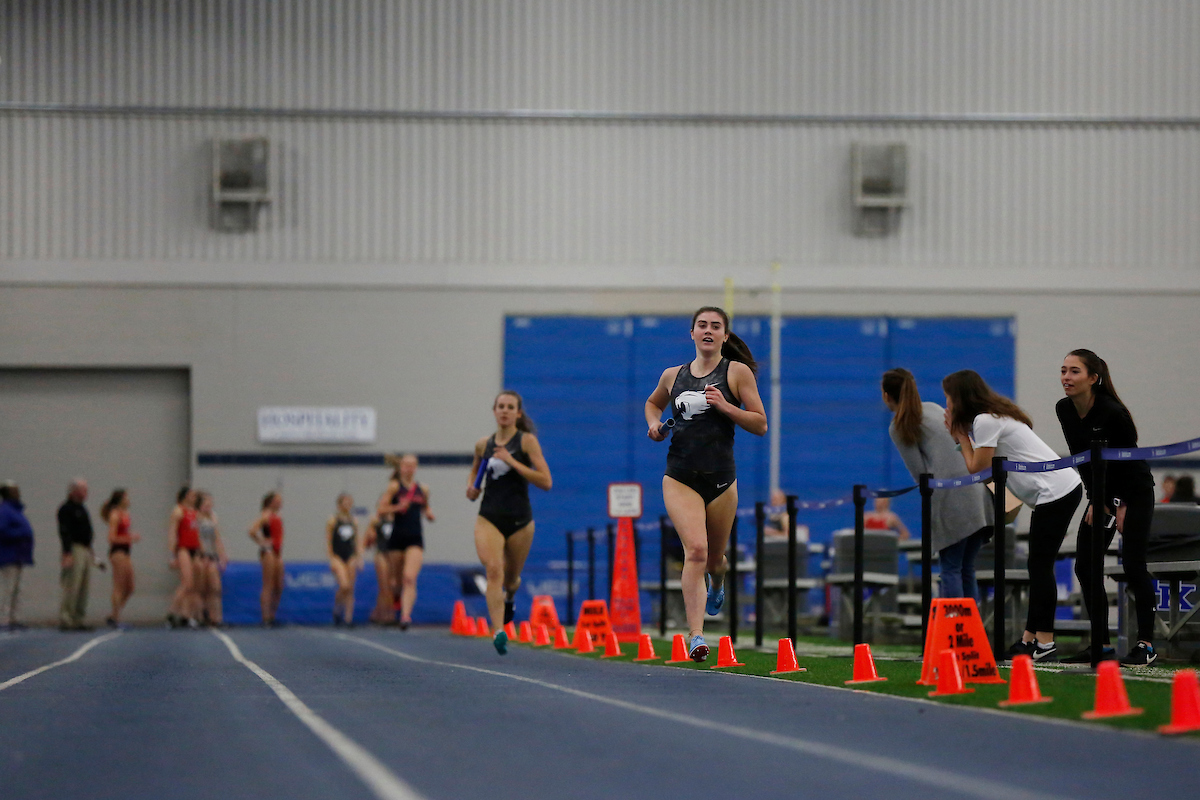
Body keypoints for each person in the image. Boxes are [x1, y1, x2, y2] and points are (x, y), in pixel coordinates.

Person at [645, 307, 768, 662]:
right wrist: (654, 425)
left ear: (725, 336)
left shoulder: (737, 372)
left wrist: (726, 407)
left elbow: (760, 424)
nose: (709, 330)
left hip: (721, 479)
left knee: (714, 558)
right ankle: (696, 635)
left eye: (716, 326)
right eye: (703, 325)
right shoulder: (673, 375)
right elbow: (652, 404)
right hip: (680, 475)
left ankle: (718, 581)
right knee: (695, 551)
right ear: (693, 333)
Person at [943, 369, 1082, 663]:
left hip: (1056, 491)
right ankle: (1029, 640)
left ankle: (1044, 643)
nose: (947, 405)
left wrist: (959, 437)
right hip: (1055, 491)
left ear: (960, 398)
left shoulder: (984, 420)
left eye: (948, 398)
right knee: (1037, 566)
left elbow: (977, 469)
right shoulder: (991, 416)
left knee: (1040, 567)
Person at [1056, 349, 1159, 666]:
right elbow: (1084, 460)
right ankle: (1100, 645)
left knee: (1133, 564)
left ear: (1093, 378)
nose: (1066, 378)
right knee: (1085, 566)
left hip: (1135, 491)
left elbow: (1128, 462)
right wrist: (1097, 500)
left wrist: (1120, 504)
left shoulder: (1113, 412)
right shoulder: (1065, 409)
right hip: (1101, 492)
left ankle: (1146, 645)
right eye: (1063, 371)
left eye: (1074, 371)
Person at [882, 368, 992, 602]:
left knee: (951, 569)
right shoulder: (932, 407)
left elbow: (921, 475)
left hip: (950, 499)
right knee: (966, 569)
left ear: (886, 396)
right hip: (977, 493)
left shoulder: (899, 425)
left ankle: (954, 630)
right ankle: (970, 633)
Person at [467, 391, 553, 654]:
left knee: (511, 578)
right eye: (500, 406)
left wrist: (512, 461)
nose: (504, 411)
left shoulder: (526, 442)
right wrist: (472, 487)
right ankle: (499, 631)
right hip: (489, 517)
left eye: (510, 407)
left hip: (520, 520)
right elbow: (475, 470)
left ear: (518, 413)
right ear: (494, 411)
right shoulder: (484, 444)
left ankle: (511, 597)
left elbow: (545, 481)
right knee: (494, 570)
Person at [377, 454, 435, 629]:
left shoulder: (422, 489)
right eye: (406, 465)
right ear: (401, 468)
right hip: (397, 537)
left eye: (412, 465)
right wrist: (397, 507)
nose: (409, 468)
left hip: (415, 538)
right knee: (395, 582)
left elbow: (426, 508)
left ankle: (405, 616)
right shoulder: (394, 487)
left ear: (416, 468)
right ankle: (396, 599)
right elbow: (381, 509)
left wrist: (430, 514)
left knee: (409, 578)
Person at [57, 478, 95, 631]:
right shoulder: (65, 509)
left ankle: (79, 618)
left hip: (85, 549)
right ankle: (67, 618)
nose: (86, 493)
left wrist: (90, 549)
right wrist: (67, 552)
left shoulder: (82, 508)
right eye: (83, 490)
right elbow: (64, 532)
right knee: (72, 584)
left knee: (83, 586)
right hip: (74, 549)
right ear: (74, 491)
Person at [101, 489, 140, 628]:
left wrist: (130, 537)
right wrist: (130, 538)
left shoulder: (126, 514)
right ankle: (115, 617)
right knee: (119, 586)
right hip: (117, 552)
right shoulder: (115, 515)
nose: (129, 499)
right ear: (121, 500)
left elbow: (123, 533)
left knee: (130, 587)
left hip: (126, 551)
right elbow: (111, 538)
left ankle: (113, 615)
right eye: (126, 497)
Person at [0, 481, 35, 632]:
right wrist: (22, 534)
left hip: (19, 555)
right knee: (8, 588)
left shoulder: (15, 510)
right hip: (9, 554)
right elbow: (2, 530)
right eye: (15, 490)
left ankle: (15, 618)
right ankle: (4, 619)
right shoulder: (5, 511)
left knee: (17, 589)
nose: (18, 493)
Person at [166, 486, 201, 628]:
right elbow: (172, 533)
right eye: (192, 495)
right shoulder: (178, 511)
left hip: (194, 549)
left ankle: (186, 615)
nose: (194, 498)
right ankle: (171, 612)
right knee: (186, 583)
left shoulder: (194, 512)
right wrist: (172, 554)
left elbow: (196, 533)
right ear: (185, 496)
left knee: (191, 585)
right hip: (183, 549)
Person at [249, 491, 285, 626]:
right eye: (278, 500)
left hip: (277, 552)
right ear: (271, 502)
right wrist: (262, 542)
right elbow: (252, 530)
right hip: (268, 552)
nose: (281, 503)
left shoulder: (277, 516)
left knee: (279, 585)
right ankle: (266, 617)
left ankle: (272, 614)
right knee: (268, 584)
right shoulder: (266, 515)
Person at [326, 492, 361, 626]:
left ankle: (348, 618)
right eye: (345, 502)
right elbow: (329, 541)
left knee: (350, 588)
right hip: (338, 556)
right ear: (339, 504)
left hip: (350, 555)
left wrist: (359, 557)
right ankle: (337, 608)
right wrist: (331, 558)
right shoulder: (333, 520)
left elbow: (356, 541)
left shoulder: (354, 521)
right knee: (344, 585)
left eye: (349, 502)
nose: (347, 505)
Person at [195, 491, 227, 627]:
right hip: (200, 555)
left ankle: (216, 617)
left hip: (211, 554)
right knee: (201, 587)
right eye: (206, 502)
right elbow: (195, 537)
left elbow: (217, 537)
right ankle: (200, 616)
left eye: (210, 502)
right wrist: (201, 554)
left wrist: (222, 555)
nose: (209, 504)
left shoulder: (213, 517)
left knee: (215, 587)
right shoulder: (195, 517)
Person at [363, 513, 396, 624]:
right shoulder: (377, 520)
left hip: (394, 554)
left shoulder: (399, 519)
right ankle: (384, 614)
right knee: (384, 586)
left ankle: (380, 613)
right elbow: (367, 542)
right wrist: (371, 530)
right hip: (382, 553)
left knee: (392, 586)